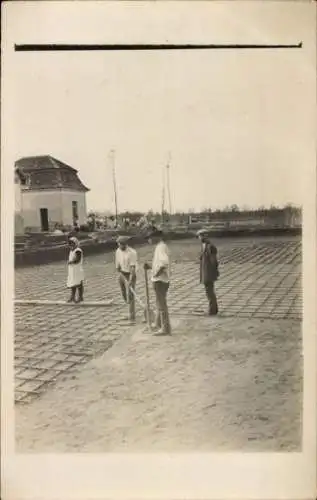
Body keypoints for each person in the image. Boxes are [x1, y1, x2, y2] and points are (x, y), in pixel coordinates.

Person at [144, 229, 171, 336]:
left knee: (161, 305)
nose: (149, 240)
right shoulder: (160, 246)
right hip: (160, 280)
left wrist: (156, 274)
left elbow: (164, 264)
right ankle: (158, 323)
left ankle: (165, 328)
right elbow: (159, 264)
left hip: (160, 281)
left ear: (156, 237)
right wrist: (151, 267)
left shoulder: (160, 247)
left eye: (150, 238)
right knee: (159, 303)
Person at [197, 229, 219, 315]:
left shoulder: (210, 246)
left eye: (201, 236)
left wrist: (214, 272)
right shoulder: (204, 245)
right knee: (209, 291)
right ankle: (214, 309)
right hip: (206, 272)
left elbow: (214, 261)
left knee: (209, 292)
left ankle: (212, 310)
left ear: (205, 236)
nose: (199, 238)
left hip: (209, 273)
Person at [115, 235, 137, 322]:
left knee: (130, 295)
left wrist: (131, 280)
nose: (119, 246)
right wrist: (118, 268)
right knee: (124, 294)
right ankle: (129, 311)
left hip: (130, 274)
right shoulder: (118, 251)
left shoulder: (132, 252)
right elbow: (117, 264)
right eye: (118, 244)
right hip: (122, 274)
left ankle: (132, 316)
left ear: (125, 244)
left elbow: (132, 267)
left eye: (120, 245)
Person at [67, 236, 84, 303]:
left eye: (72, 244)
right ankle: (72, 297)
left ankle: (80, 297)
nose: (71, 245)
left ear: (75, 243)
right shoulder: (71, 251)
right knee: (73, 283)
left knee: (79, 284)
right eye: (70, 244)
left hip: (77, 269)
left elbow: (78, 260)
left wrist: (72, 262)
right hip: (72, 269)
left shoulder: (78, 250)